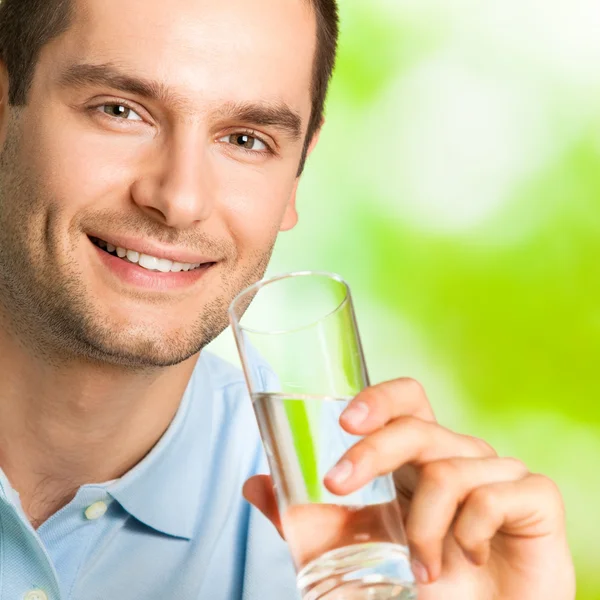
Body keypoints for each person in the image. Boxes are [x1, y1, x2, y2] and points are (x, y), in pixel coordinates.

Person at [0, 0, 576, 598]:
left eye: (246, 139)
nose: (180, 198)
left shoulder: (360, 538)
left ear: (296, 176)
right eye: (120, 110)